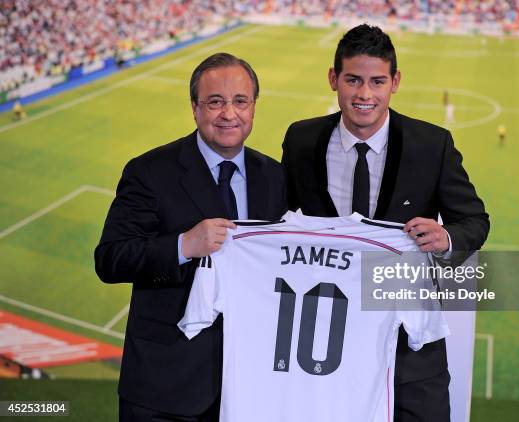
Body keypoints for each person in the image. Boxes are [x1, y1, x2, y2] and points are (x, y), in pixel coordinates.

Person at [282, 24, 489, 421]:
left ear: (395, 82)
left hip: (408, 346)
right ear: (333, 79)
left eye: (377, 81)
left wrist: (447, 237)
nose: (364, 95)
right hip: (325, 341)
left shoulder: (432, 145)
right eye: (353, 80)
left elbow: (475, 221)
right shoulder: (301, 140)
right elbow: (282, 221)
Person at [94, 53, 287, 421]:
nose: (229, 114)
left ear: (253, 107)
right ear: (195, 108)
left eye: (240, 101)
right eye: (215, 102)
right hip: (165, 389)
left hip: (249, 386)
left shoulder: (274, 176)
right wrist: (183, 246)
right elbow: (110, 258)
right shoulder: (149, 171)